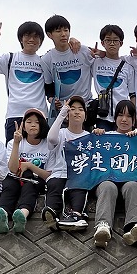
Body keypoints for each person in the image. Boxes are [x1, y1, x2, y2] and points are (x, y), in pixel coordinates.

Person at [91, 100, 137, 248]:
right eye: (120, 115)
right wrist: (96, 134)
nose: (124, 119)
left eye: (129, 116)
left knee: (133, 186)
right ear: (114, 118)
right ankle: (103, 227)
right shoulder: (106, 137)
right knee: (108, 187)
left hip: (129, 181)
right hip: (107, 180)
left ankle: (135, 227)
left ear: (134, 120)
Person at [0, 19, 46, 142]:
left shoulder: (45, 61)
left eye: (36, 36)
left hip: (39, 115)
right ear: (21, 39)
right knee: (13, 156)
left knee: (40, 155)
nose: (31, 39)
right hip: (15, 115)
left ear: (41, 41)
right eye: (27, 36)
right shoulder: (10, 58)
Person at [0, 108, 53, 235]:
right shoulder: (13, 143)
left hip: (36, 179)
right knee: (9, 186)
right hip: (15, 177)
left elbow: (48, 174)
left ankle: (22, 215)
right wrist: (16, 143)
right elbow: (13, 169)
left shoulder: (48, 145)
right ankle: (2, 214)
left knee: (30, 187)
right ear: (23, 126)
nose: (33, 124)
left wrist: (30, 166)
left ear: (42, 125)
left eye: (37, 122)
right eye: (29, 122)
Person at [42, 95, 92, 230]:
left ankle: (77, 216)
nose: (76, 112)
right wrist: (62, 113)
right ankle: (51, 216)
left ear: (85, 116)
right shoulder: (61, 133)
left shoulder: (90, 137)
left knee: (80, 185)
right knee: (54, 184)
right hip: (60, 173)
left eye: (81, 109)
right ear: (67, 114)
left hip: (79, 175)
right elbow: (51, 139)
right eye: (73, 109)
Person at [41, 14, 94, 114]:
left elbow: (103, 58)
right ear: (49, 35)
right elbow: (48, 86)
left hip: (85, 107)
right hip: (63, 110)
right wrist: (51, 99)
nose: (63, 34)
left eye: (66, 30)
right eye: (58, 31)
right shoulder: (46, 59)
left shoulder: (82, 50)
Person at [86, 24, 133, 130]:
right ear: (102, 43)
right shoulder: (95, 62)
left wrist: (133, 115)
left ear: (121, 43)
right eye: (108, 40)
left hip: (122, 115)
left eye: (115, 40)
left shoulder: (128, 66)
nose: (112, 44)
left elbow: (132, 94)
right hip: (102, 115)